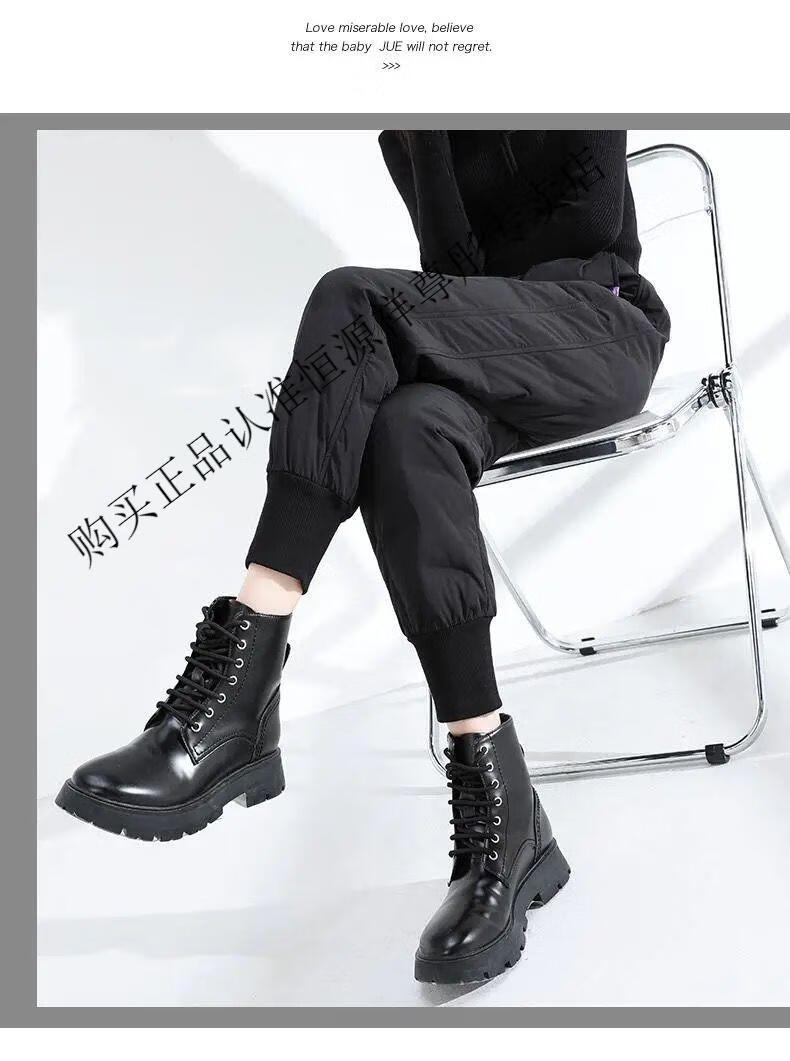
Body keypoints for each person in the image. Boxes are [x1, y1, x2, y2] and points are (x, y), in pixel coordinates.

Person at [56, 130, 671, 985]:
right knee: (404, 430)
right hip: (493, 348)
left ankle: (244, 677)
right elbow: (455, 269)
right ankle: (503, 811)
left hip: (598, 327)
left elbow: (586, 214)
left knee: (349, 297)